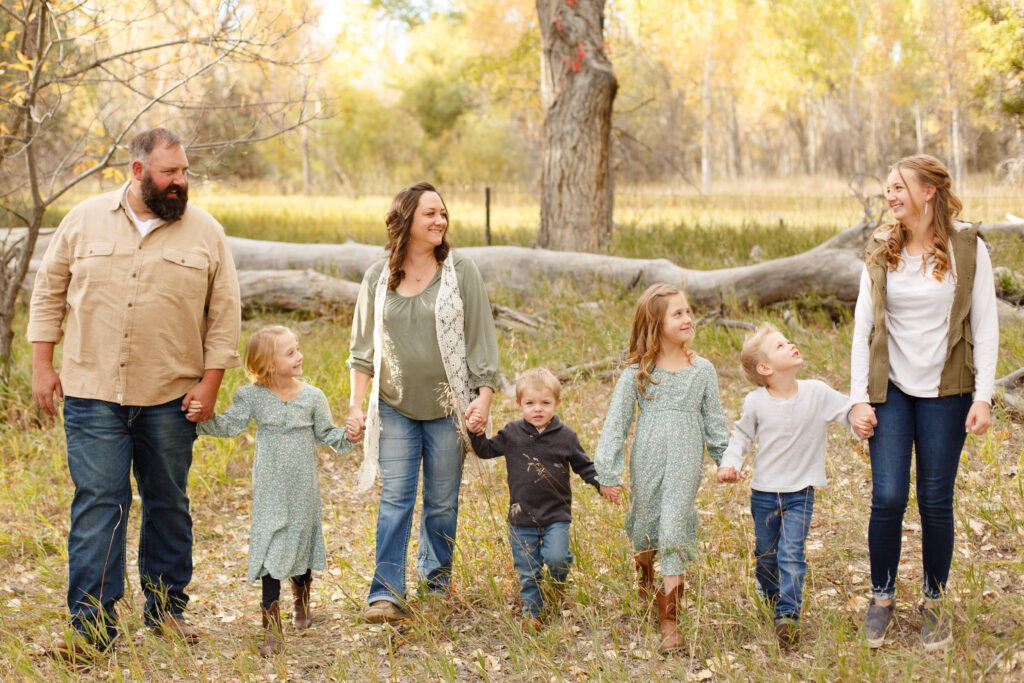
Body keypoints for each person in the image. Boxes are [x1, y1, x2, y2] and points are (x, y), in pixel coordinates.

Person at [28, 127, 241, 660]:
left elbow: (225, 315)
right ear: (138, 171)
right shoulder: (83, 220)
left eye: (185, 172)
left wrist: (210, 384)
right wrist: (40, 365)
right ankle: (91, 629)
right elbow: (49, 291)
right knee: (100, 502)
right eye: (170, 172)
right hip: (92, 389)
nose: (181, 182)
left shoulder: (206, 232)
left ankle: (167, 612)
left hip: (170, 395)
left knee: (168, 501)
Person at [850, 154, 998, 650]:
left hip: (946, 391)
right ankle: (882, 597)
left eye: (898, 187)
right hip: (889, 391)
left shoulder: (967, 248)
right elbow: (861, 329)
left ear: (928, 191)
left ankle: (934, 600)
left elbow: (986, 326)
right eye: (888, 187)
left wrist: (984, 396)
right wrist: (857, 400)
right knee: (888, 497)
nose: (890, 196)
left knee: (936, 500)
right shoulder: (880, 249)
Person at [346, 181, 499, 623]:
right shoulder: (377, 278)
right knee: (396, 498)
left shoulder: (460, 271)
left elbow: (482, 343)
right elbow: (362, 352)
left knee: (442, 501)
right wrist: (356, 406)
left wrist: (483, 400)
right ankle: (387, 593)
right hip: (394, 405)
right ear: (406, 220)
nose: (440, 221)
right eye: (430, 213)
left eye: (443, 214)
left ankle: (436, 584)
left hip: (450, 407)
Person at [191, 326, 356, 656]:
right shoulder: (251, 396)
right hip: (269, 486)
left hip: (303, 486)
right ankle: (271, 627)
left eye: (298, 349)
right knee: (269, 548)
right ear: (267, 364)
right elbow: (229, 425)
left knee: (299, 542)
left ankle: (302, 599)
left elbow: (327, 434)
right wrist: (199, 417)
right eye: (290, 352)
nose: (300, 356)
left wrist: (349, 435)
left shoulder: (313, 397)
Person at [594, 283, 730, 651]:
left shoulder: (702, 371)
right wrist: (608, 472)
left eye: (688, 311)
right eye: (678, 313)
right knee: (644, 524)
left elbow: (716, 423)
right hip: (648, 457)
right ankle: (645, 575)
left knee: (673, 527)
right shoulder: (637, 373)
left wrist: (727, 460)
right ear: (655, 324)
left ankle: (669, 617)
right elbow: (616, 424)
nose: (688, 318)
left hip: (686, 458)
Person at [716, 323, 852, 646]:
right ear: (765, 368)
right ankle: (771, 595)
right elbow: (742, 437)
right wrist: (730, 464)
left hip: (800, 492)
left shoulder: (817, 392)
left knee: (791, 552)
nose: (791, 345)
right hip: (764, 493)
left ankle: (788, 614)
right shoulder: (756, 402)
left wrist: (865, 419)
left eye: (788, 341)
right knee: (766, 554)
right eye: (780, 346)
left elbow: (848, 410)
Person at [466, 368, 615, 630]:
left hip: (555, 514)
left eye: (545, 403)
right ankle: (532, 614)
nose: (538, 409)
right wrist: (475, 433)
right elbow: (486, 451)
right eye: (530, 403)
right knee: (528, 568)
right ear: (519, 404)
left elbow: (584, 466)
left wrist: (601, 484)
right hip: (521, 515)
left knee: (557, 558)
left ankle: (557, 583)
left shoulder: (566, 437)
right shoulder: (512, 434)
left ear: (557, 404)